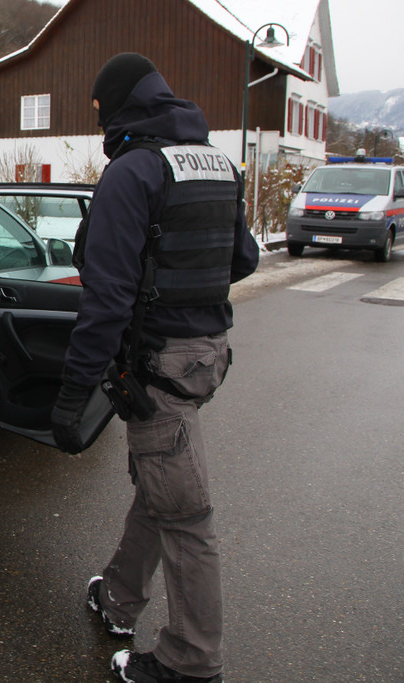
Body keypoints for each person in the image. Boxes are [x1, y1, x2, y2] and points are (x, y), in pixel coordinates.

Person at [50, 53, 259, 683]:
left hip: (158, 362)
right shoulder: (218, 162)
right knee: (160, 479)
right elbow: (243, 259)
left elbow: (107, 297)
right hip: (207, 355)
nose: (100, 124)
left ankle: (191, 661)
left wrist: (74, 391)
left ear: (120, 105)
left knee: (186, 515)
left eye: (100, 111)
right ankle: (118, 597)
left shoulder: (133, 171)